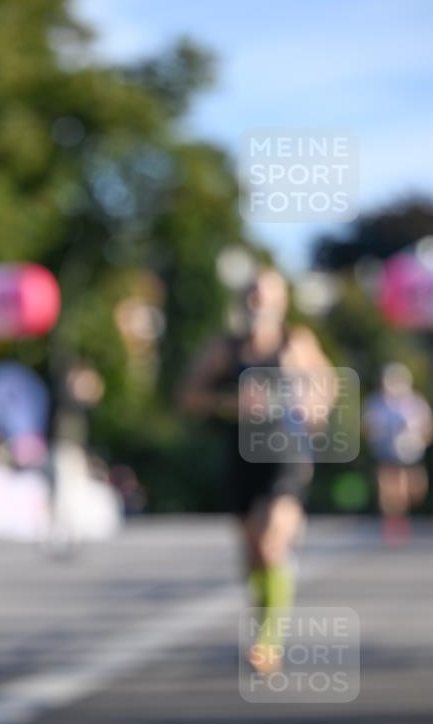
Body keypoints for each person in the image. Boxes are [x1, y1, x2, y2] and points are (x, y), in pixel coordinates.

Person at [180, 267, 337, 675]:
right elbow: (189, 397)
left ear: (281, 302)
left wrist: (314, 407)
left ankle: (268, 643)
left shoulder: (295, 343)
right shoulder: (224, 348)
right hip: (241, 456)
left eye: (266, 295)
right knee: (253, 555)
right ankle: (266, 621)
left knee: (270, 541)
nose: (258, 303)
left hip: (287, 455)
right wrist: (228, 403)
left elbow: (328, 383)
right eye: (252, 294)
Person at [363, 363, 433, 544]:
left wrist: (416, 438)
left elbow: (428, 428)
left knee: (415, 490)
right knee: (390, 487)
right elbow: (368, 427)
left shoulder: (415, 403)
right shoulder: (376, 402)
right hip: (387, 452)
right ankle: (394, 521)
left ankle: (400, 513)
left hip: (411, 453)